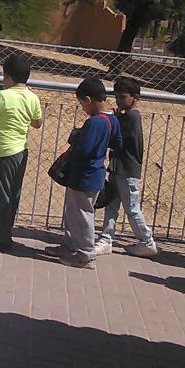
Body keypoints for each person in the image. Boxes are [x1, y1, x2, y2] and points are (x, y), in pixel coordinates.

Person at [0, 52, 42, 252]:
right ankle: (1, 231)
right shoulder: (32, 97)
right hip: (20, 151)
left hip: (3, 152)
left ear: (8, 76)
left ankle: (2, 238)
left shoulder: (3, 97)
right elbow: (37, 123)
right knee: (12, 194)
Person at [60, 77, 121, 269]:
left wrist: (77, 138)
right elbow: (117, 142)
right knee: (78, 213)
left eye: (82, 103)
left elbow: (84, 150)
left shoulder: (94, 123)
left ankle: (86, 255)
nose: (83, 108)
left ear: (88, 100)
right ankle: (75, 248)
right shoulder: (112, 120)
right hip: (95, 174)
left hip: (84, 176)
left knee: (82, 215)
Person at [94, 75, 157, 258]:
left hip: (127, 171)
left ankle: (147, 241)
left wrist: (114, 119)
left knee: (131, 208)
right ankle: (106, 239)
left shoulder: (131, 117)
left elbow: (118, 138)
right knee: (111, 204)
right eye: (117, 97)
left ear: (134, 98)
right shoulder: (125, 116)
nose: (118, 101)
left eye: (123, 97)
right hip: (117, 168)